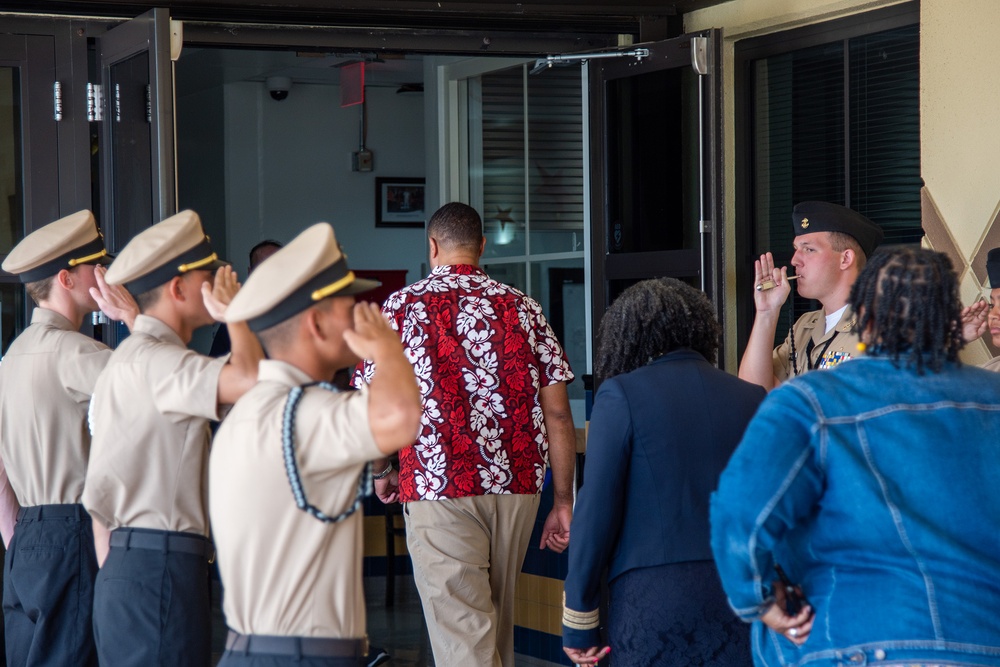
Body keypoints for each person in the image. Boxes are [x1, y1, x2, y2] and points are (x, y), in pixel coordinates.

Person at [711, 247, 1000, 667]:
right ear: (947, 321)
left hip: (846, 643)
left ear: (862, 317)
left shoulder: (809, 402)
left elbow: (739, 513)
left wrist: (756, 599)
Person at [354, 202, 577, 667]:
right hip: (518, 487)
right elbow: (557, 416)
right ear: (480, 247)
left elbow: (376, 406)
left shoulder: (399, 309)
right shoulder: (525, 309)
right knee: (493, 633)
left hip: (438, 484)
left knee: (464, 640)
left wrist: (382, 468)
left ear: (432, 247)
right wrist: (562, 502)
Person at [209, 222, 421, 667]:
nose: (362, 313)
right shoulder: (306, 412)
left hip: (250, 649)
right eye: (348, 304)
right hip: (302, 656)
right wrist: (387, 349)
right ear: (317, 322)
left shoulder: (243, 412)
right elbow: (400, 417)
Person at [82, 210, 263, 667]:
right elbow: (248, 379)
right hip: (161, 566)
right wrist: (237, 316)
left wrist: (124, 572)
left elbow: (100, 498)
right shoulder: (161, 363)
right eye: (209, 274)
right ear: (178, 289)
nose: (222, 282)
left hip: (126, 568)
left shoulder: (124, 361)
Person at [562, 278, 765, 667]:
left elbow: (595, 512)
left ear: (628, 335)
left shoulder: (620, 394)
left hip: (655, 594)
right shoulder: (750, 396)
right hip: (743, 591)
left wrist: (580, 621)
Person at [0, 210, 137, 667]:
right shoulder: (81, 353)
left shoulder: (11, 358)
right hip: (74, 531)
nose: (105, 275)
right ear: (66, 278)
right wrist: (134, 318)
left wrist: (20, 537)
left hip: (26, 535)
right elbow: (160, 390)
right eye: (95, 266)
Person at [739, 201, 883, 390]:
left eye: (809, 249)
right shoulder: (804, 327)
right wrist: (767, 312)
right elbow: (753, 391)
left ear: (845, 259)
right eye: (796, 249)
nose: (794, 260)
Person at [210, 239, 283, 357]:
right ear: (250, 273)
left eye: (278, 266)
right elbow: (217, 369)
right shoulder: (236, 318)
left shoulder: (304, 310)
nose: (272, 274)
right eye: (264, 268)